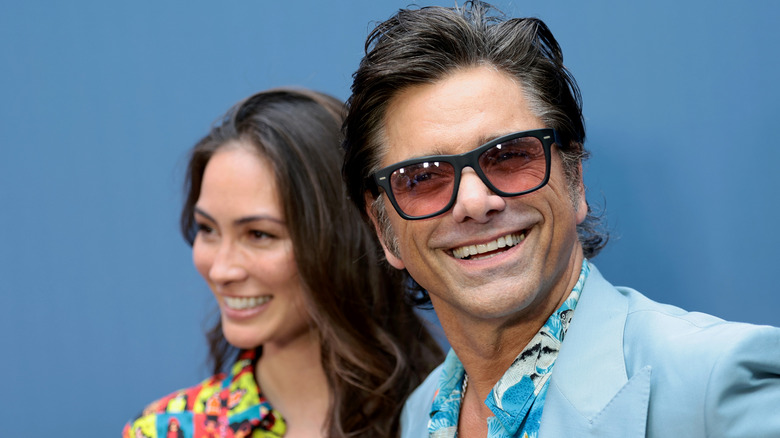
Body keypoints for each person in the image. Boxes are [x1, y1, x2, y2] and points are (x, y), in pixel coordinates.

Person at [341, 2, 780, 437]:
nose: (475, 201)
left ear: (575, 181)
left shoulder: (715, 384)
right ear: (384, 230)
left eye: (510, 155)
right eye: (421, 178)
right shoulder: (419, 415)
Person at [123, 88, 442, 438]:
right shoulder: (168, 430)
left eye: (259, 234)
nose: (221, 270)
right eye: (207, 229)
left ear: (346, 235)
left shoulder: (452, 413)